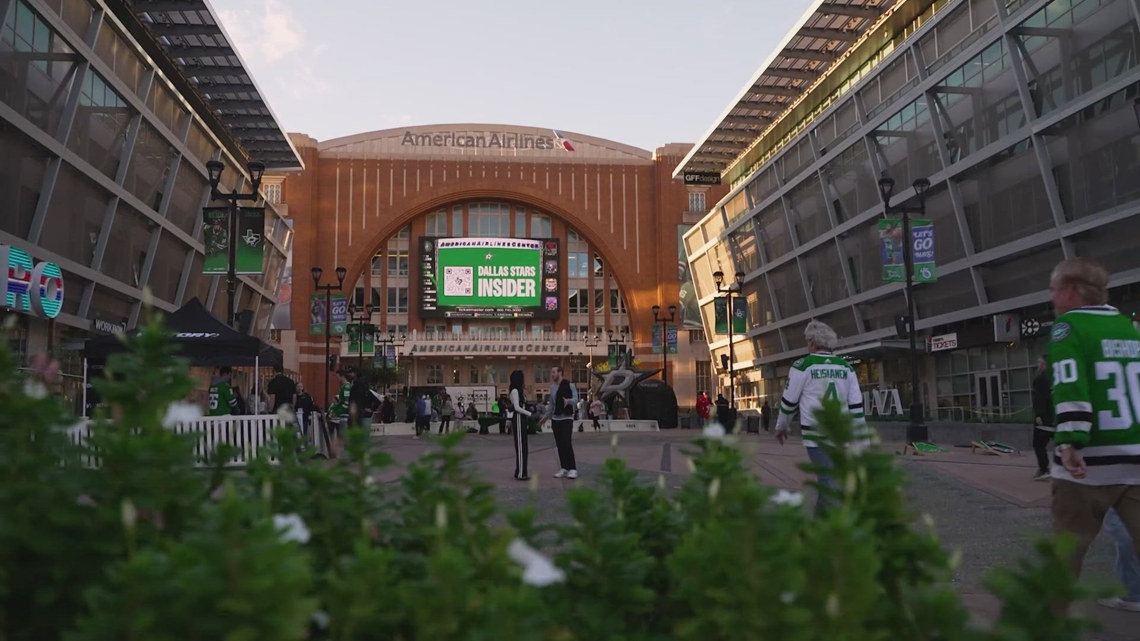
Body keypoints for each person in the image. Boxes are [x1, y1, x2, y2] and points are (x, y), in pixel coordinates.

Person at [1047, 257, 1140, 605]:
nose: (1052, 297)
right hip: (1135, 457)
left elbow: (1070, 381)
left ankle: (1050, 623)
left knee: (1066, 555)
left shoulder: (1068, 327)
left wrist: (1070, 440)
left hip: (1089, 464)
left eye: (1055, 289)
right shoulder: (1126, 326)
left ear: (1071, 290)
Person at [774, 319, 866, 515]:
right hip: (840, 433)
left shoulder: (802, 366)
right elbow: (856, 407)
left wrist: (782, 426)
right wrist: (861, 437)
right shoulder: (846, 367)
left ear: (812, 343)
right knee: (829, 480)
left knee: (826, 481)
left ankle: (825, 524)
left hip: (815, 433)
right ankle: (823, 524)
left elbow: (789, 402)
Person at [540, 366, 579, 479]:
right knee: (560, 445)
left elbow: (576, 399)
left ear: (560, 373)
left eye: (554, 372)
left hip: (567, 418)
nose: (552, 375)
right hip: (556, 419)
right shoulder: (552, 387)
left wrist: (568, 401)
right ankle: (564, 467)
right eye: (551, 372)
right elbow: (552, 405)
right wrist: (545, 418)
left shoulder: (570, 385)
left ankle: (572, 468)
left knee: (567, 443)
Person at [1031, 355, 1054, 481]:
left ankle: (1044, 469)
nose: (1038, 365)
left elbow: (1039, 398)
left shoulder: (1040, 380)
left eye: (1040, 362)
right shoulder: (1055, 377)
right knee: (1061, 443)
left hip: (1044, 418)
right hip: (1055, 417)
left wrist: (1039, 414)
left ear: (1044, 365)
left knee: (1038, 444)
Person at [508, 370, 532, 480]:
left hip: (521, 418)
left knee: (523, 446)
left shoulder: (519, 391)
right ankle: (521, 473)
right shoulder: (515, 391)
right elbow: (517, 408)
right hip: (518, 418)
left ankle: (520, 470)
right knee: (521, 446)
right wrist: (529, 413)